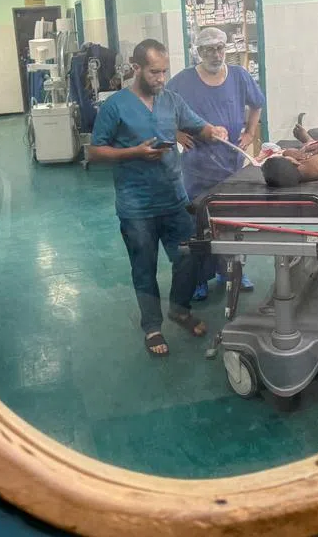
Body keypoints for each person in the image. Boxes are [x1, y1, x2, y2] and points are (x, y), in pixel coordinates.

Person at [88, 39, 229, 357]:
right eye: (154, 72)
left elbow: (196, 125)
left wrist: (214, 131)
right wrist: (134, 153)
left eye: (164, 71)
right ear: (136, 68)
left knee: (189, 257)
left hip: (174, 198)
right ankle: (152, 326)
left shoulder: (171, 101)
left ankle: (179, 309)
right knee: (144, 266)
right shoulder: (116, 106)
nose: (161, 78)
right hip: (136, 204)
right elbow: (95, 151)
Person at [166, 27, 267, 300]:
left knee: (231, 223)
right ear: (198, 52)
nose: (216, 54)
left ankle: (231, 271)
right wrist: (176, 133)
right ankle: (199, 279)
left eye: (220, 48)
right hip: (198, 167)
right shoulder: (183, 81)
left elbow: (257, 104)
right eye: (209, 49)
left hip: (231, 165)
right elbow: (160, 108)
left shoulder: (239, 76)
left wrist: (250, 132)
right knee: (199, 224)